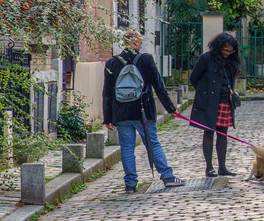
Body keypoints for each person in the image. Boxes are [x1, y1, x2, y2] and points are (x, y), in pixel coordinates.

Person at [103, 29, 185, 193]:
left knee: (127, 147)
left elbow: (107, 92)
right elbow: (158, 86)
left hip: (121, 111)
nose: (140, 45)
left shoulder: (112, 63)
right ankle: (167, 177)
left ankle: (130, 184)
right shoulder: (146, 59)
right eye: (139, 42)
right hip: (143, 110)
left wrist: (108, 118)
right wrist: (170, 108)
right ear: (134, 42)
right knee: (152, 142)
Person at [189, 32, 241, 177]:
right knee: (209, 132)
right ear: (219, 47)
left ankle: (222, 167)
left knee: (223, 134)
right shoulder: (206, 58)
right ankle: (209, 167)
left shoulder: (232, 60)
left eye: (231, 51)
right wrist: (205, 93)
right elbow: (194, 78)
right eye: (225, 50)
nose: (227, 53)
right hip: (209, 102)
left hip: (225, 101)